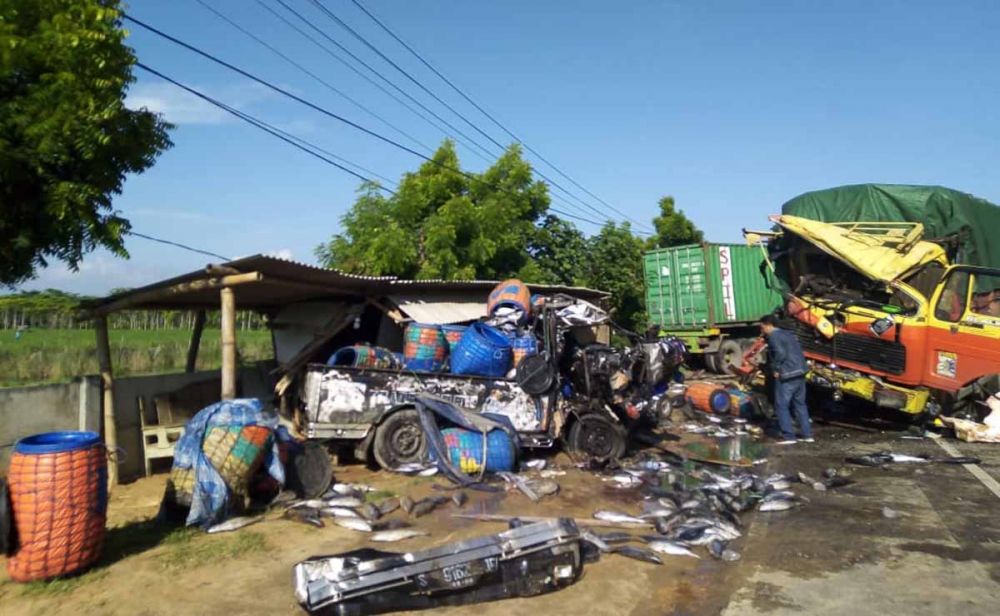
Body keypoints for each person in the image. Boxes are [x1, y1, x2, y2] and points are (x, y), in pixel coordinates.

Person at [759, 315, 814, 444]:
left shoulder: (774, 336)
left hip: (787, 374)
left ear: (768, 325)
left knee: (781, 405)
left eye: (761, 327)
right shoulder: (789, 334)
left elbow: (780, 353)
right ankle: (807, 435)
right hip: (800, 371)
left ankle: (789, 436)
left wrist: (776, 369)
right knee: (800, 404)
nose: (761, 330)